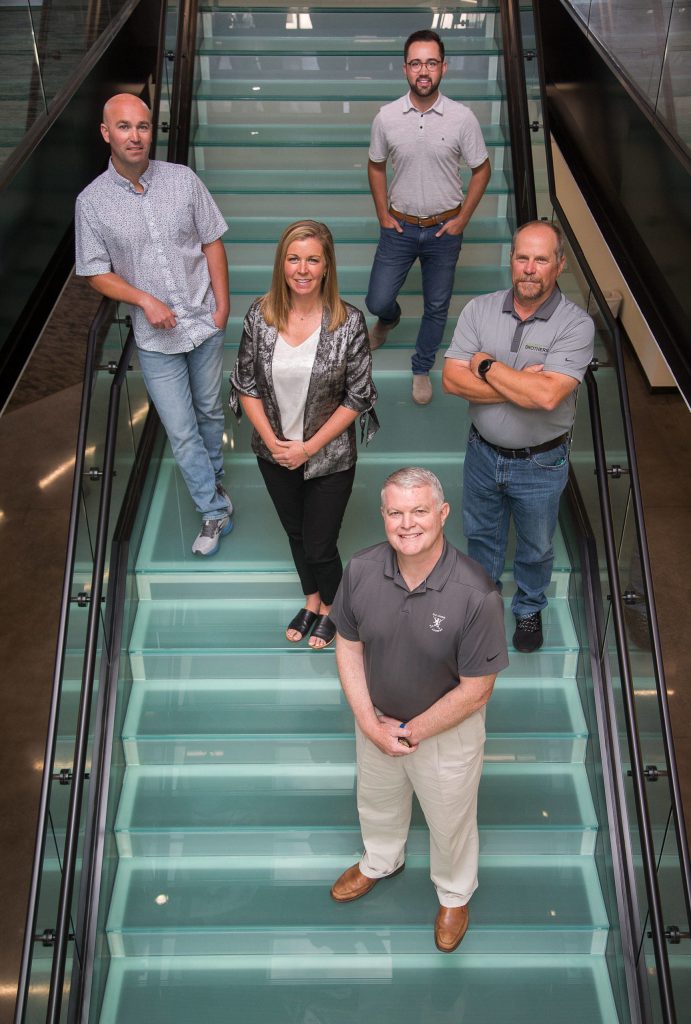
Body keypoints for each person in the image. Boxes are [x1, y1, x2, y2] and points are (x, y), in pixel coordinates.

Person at [329, 467, 508, 952]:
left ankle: (454, 892)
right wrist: (370, 723)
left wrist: (409, 732)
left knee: (451, 820)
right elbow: (347, 646)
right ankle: (380, 859)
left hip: (444, 733)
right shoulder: (362, 570)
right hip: (377, 720)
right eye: (395, 512)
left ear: (443, 513)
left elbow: (476, 691)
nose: (407, 524)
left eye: (420, 511)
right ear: (384, 516)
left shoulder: (477, 593)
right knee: (377, 801)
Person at [75, 93, 233, 556]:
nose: (135, 135)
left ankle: (216, 480)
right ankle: (213, 510)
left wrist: (222, 306)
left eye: (143, 126)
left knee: (208, 412)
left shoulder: (182, 181)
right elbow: (94, 272)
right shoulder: (93, 202)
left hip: (204, 322)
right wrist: (144, 299)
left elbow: (212, 242)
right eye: (124, 127)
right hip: (153, 336)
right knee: (180, 428)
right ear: (107, 133)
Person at [442, 221, 595, 653]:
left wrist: (487, 365)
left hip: (541, 462)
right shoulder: (479, 309)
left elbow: (547, 396)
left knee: (536, 545)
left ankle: (528, 607)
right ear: (512, 260)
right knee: (480, 537)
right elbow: (451, 382)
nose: (530, 269)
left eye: (541, 259)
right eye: (522, 257)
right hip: (482, 453)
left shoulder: (576, 325)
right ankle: (480, 608)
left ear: (559, 265)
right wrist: (518, 385)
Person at [229, 220, 379, 649]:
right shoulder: (260, 316)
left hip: (328, 456)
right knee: (296, 534)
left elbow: (358, 395)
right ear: (282, 264)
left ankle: (337, 607)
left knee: (319, 543)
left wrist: (308, 447)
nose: (302, 268)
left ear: (327, 266)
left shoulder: (348, 322)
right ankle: (312, 600)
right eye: (294, 259)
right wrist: (274, 443)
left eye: (313, 259)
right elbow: (245, 383)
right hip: (273, 453)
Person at [365, 29, 491, 406]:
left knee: (437, 306)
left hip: (444, 231)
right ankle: (388, 319)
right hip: (399, 227)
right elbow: (375, 166)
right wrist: (382, 213)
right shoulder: (386, 117)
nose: (424, 71)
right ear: (405, 69)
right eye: (416, 63)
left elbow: (481, 170)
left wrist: (462, 220)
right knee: (376, 299)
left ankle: (421, 367)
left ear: (443, 68)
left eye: (431, 63)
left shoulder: (462, 118)